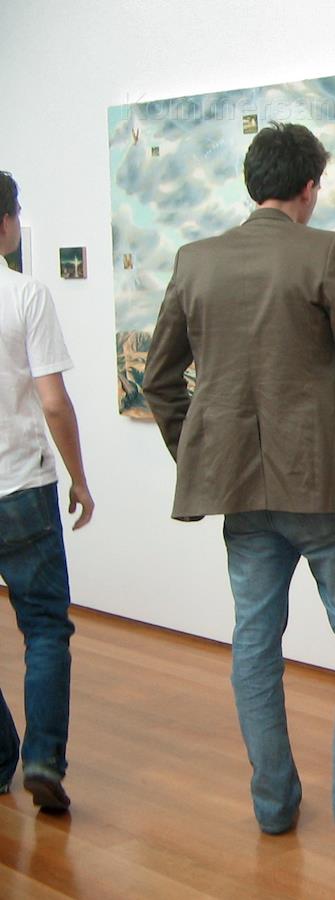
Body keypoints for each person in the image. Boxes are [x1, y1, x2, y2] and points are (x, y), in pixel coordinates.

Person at [142, 124, 335, 847]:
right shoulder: (325, 251)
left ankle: (273, 807)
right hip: (325, 485)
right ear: (310, 187)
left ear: (253, 183)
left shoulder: (195, 260)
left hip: (239, 490)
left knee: (254, 643)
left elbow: (159, 381)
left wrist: (197, 452)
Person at [0, 171, 94, 814]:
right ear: (5, 223)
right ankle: (40, 759)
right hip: (22, 488)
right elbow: (54, 402)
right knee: (44, 629)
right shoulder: (24, 294)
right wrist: (80, 478)